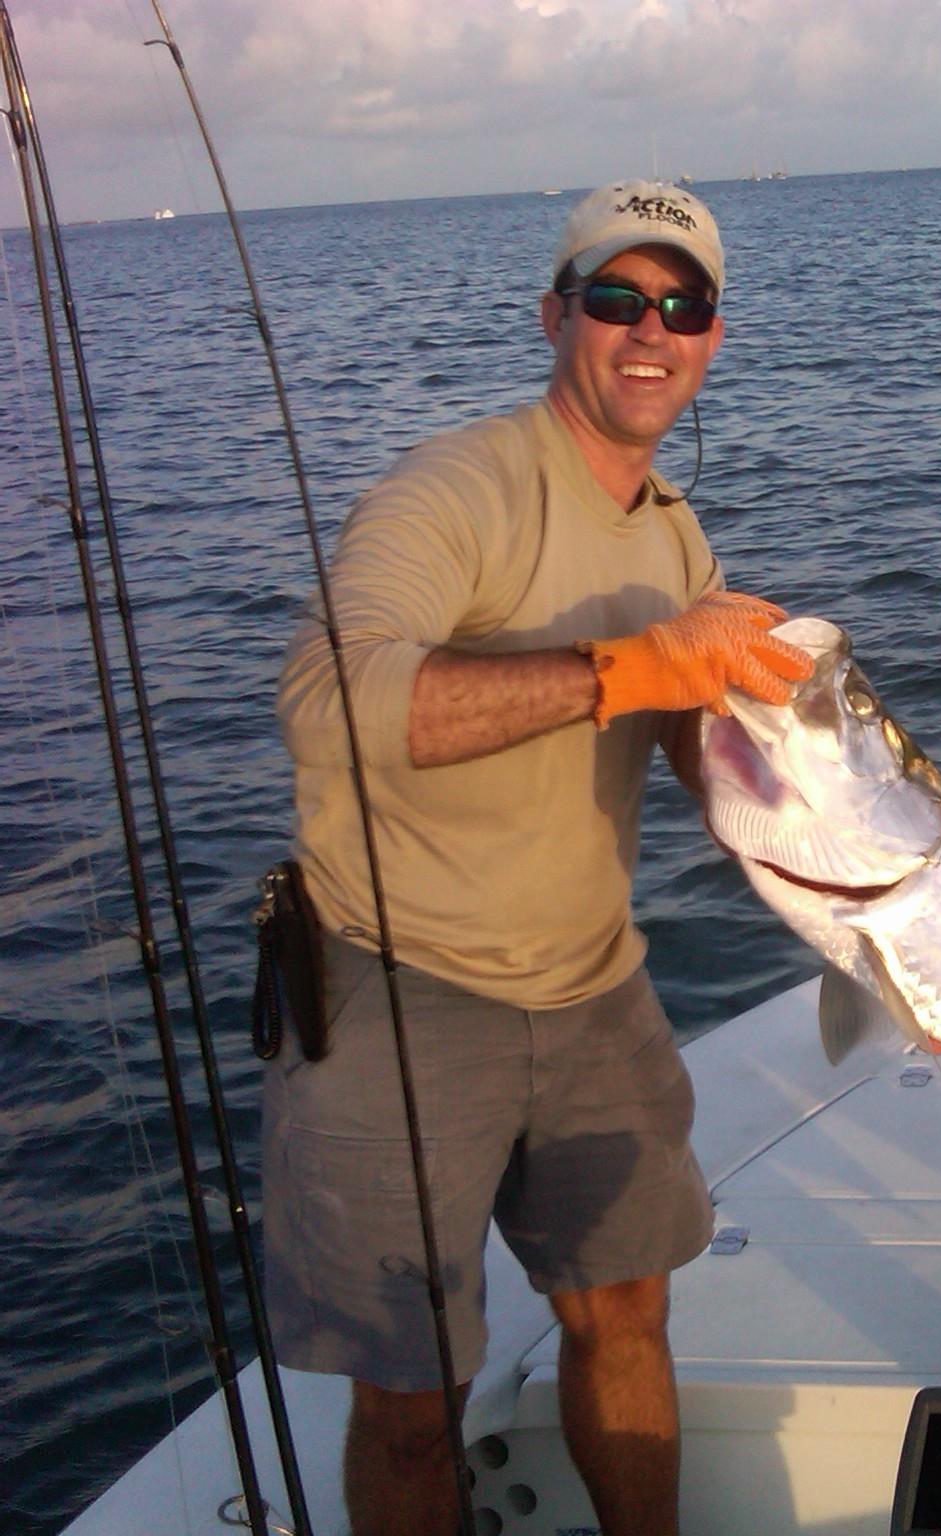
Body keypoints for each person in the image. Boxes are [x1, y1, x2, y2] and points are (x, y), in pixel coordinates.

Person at [266, 180, 810, 1536]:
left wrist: (798, 773)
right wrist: (629, 665)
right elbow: (327, 701)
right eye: (617, 298)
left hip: (590, 982)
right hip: (403, 985)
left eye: (681, 306)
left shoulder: (673, 531)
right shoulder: (457, 488)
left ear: (713, 337)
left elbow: (694, 753)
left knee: (627, 1308)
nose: (650, 330)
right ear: (556, 314)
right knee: (409, 1390)